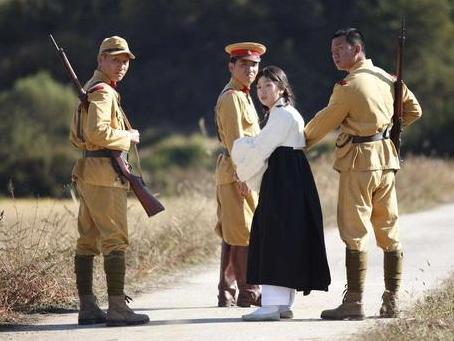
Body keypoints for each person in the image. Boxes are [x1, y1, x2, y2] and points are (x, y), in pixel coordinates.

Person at [304, 28, 422, 320]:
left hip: (358, 162)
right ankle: (391, 300)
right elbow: (414, 110)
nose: (334, 55)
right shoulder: (388, 78)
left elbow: (323, 122)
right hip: (386, 161)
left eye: (340, 49)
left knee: (354, 231)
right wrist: (388, 128)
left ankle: (354, 302)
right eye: (332, 50)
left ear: (357, 50)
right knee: (388, 229)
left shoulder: (349, 86)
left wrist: (298, 141)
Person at [231, 66, 331, 321]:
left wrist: (240, 172)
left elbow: (262, 148)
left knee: (275, 234)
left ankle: (272, 305)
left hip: (284, 179)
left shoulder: (282, 116)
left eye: (268, 86)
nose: (262, 92)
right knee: (287, 235)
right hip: (289, 177)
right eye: (259, 87)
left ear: (282, 88)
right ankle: (283, 303)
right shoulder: (283, 113)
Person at [69, 36, 149, 326]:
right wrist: (128, 136)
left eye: (125, 61)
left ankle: (88, 307)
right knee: (116, 240)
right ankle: (117, 307)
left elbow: (76, 136)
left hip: (90, 172)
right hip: (105, 175)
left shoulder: (92, 89)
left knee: (88, 240)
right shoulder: (103, 93)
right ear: (101, 60)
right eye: (115, 60)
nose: (121, 66)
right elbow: (97, 133)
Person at [213, 42, 266, 307]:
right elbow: (236, 141)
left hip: (242, 169)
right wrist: (243, 174)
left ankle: (229, 291)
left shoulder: (243, 94)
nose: (250, 69)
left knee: (234, 230)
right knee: (243, 231)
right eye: (244, 64)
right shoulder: (233, 97)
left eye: (254, 65)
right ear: (231, 66)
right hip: (237, 171)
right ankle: (249, 291)